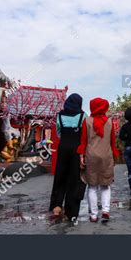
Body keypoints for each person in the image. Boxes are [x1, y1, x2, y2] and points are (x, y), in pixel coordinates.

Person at [78, 97, 119, 222]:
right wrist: (115, 156)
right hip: (106, 156)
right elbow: (113, 142)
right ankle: (106, 210)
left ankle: (93, 215)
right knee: (106, 185)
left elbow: (83, 141)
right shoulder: (110, 122)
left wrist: (81, 156)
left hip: (91, 156)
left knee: (92, 186)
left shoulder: (87, 121)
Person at [49, 93, 87, 221]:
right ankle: (71, 211)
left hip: (63, 147)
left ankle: (56, 206)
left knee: (60, 176)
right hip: (76, 149)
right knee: (74, 178)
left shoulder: (59, 115)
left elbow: (59, 133)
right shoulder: (82, 116)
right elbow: (84, 135)